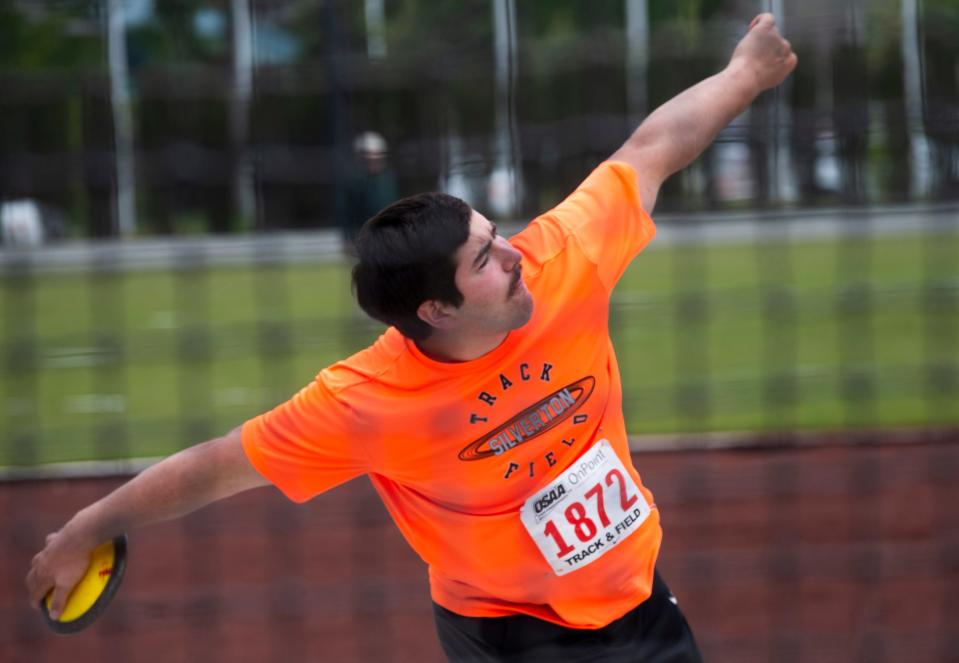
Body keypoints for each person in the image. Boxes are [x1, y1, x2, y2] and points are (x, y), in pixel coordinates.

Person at [27, 15, 796, 662]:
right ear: (435, 309)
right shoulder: (365, 401)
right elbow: (218, 466)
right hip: (505, 636)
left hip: (639, 606)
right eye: (484, 258)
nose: (513, 254)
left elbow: (648, 149)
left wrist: (742, 75)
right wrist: (86, 527)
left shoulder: (561, 261)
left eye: (494, 233)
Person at [342, 130, 399, 246]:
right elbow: (348, 214)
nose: (374, 163)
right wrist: (349, 238)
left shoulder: (388, 180)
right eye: (369, 159)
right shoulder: (354, 183)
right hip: (364, 238)